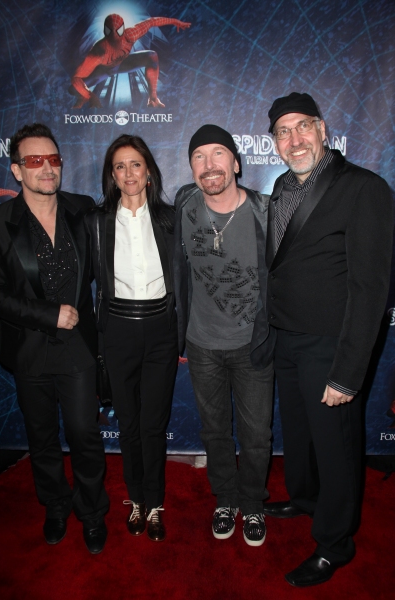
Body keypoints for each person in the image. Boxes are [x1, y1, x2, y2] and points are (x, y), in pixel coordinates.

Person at [256, 92, 393, 586]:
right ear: (274, 143)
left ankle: (336, 543)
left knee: (335, 447)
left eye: (302, 127)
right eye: (282, 132)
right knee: (299, 435)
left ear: (323, 129)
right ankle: (306, 497)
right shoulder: (278, 188)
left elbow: (371, 287)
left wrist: (348, 371)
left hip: (330, 345)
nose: (294, 140)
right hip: (286, 339)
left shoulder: (364, 187)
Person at [0, 123, 110, 554]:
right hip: (28, 348)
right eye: (34, 160)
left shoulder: (83, 208)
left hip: (79, 350)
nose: (47, 168)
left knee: (85, 434)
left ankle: (91, 511)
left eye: (53, 159)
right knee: (42, 436)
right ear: (17, 170)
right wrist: (49, 314)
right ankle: (55, 506)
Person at [174, 124, 274, 547]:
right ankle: (225, 499)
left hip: (253, 347)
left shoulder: (266, 211)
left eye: (218, 154)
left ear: (236, 162)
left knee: (256, 435)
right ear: (192, 167)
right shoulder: (184, 206)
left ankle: (252, 502)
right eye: (199, 156)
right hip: (202, 345)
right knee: (214, 431)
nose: (209, 164)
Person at [85, 134, 178, 542]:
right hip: (117, 330)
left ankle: (155, 504)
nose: (128, 174)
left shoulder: (170, 219)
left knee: (154, 424)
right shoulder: (96, 220)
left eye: (135, 164)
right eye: (120, 166)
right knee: (128, 423)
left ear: (149, 171)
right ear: (111, 174)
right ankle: (136, 499)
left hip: (161, 329)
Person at [69, 14, 190, 109]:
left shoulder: (130, 35)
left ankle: (153, 97)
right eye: (111, 32)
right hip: (103, 71)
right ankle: (83, 97)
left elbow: (152, 22)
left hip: (123, 63)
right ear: (106, 32)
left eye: (118, 31)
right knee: (73, 89)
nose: (115, 35)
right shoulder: (98, 52)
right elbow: (76, 78)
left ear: (122, 30)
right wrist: (90, 96)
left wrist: (174, 21)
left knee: (151, 56)